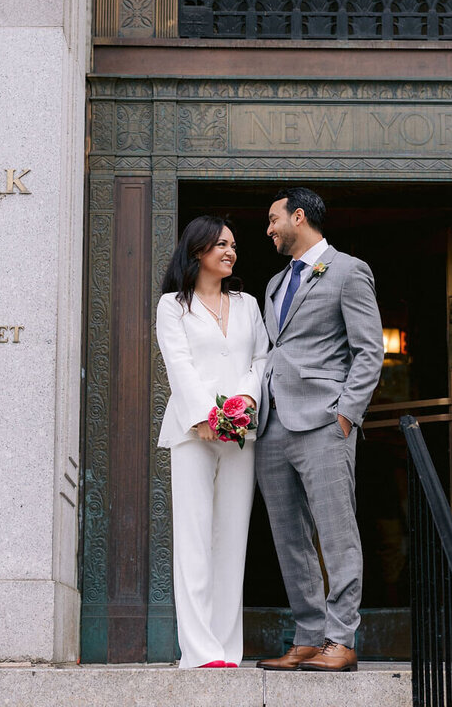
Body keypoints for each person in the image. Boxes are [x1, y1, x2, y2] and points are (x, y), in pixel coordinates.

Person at [255, 187, 384, 673]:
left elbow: (369, 350)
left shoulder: (349, 271)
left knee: (336, 533)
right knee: (289, 537)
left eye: (273, 220)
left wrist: (347, 413)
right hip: (272, 426)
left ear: (299, 217)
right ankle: (308, 637)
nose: (268, 230)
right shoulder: (272, 285)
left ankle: (341, 638)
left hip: (325, 421)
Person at [156, 215, 269, 669]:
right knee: (194, 539)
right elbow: (177, 363)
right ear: (198, 250)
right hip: (192, 432)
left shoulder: (247, 304)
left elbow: (262, 357)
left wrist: (243, 400)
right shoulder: (172, 305)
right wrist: (206, 415)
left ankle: (226, 650)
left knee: (231, 541)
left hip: (242, 433)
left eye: (233, 245)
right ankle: (199, 652)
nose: (230, 252)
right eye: (221, 244)